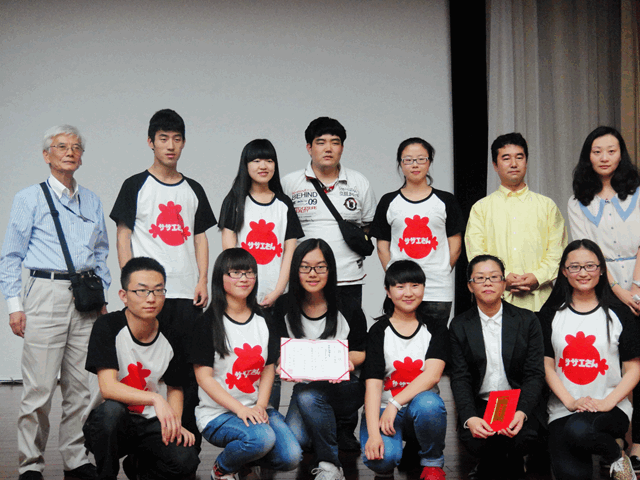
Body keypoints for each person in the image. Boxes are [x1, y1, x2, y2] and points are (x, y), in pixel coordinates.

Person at [0, 125, 110, 480]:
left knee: (82, 387)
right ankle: (30, 464)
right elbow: (11, 256)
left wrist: (103, 296)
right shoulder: (28, 198)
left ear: (82, 157)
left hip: (86, 299)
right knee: (38, 388)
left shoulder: (92, 200)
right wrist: (14, 305)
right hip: (44, 293)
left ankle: (76, 459)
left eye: (76, 147)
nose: (70, 152)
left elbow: (101, 252)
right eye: (61, 146)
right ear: (46, 155)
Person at [110, 108, 217, 444]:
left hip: (186, 295)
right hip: (149, 296)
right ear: (150, 142)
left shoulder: (193, 188)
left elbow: (200, 237)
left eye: (177, 139)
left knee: (186, 373)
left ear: (183, 143)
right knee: (145, 370)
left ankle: (186, 445)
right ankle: (146, 443)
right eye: (163, 138)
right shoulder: (135, 185)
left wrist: (202, 279)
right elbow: (123, 235)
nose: (170, 145)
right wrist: (132, 286)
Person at [282, 117, 375, 451]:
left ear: (342, 147)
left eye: (335, 142)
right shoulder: (291, 183)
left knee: (345, 354)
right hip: (304, 282)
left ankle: (345, 428)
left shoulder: (358, 182)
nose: (328, 148)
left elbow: (366, 227)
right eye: (321, 142)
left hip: (348, 280)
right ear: (309, 147)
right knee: (307, 348)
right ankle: (312, 415)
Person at [83, 257, 199, 480]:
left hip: (149, 420)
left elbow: (175, 387)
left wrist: (174, 424)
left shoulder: (173, 333)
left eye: (158, 290)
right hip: (109, 423)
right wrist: (155, 399)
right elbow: (108, 388)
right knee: (112, 412)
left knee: (186, 459)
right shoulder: (107, 326)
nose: (151, 298)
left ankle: (137, 466)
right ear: (123, 296)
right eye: (142, 291)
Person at [191, 248, 301, 480]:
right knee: (262, 438)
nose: (243, 278)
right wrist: (240, 410)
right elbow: (204, 378)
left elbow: (268, 368)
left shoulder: (264, 320)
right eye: (235, 273)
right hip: (218, 414)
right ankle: (221, 470)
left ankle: (245, 461)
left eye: (249, 273)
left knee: (291, 456)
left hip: (255, 408)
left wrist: (261, 405)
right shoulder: (207, 323)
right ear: (220, 277)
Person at [568, 126, 640, 470]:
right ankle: (617, 438)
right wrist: (619, 292)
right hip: (604, 287)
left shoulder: (637, 193)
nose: (604, 157)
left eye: (611, 150)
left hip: (638, 283)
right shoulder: (578, 202)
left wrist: (636, 288)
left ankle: (637, 446)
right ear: (588, 156)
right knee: (616, 365)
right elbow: (588, 254)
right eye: (597, 151)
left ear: (621, 153)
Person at [538, 239, 640, 480]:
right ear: (564, 271)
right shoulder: (551, 313)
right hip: (563, 409)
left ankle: (616, 454)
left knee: (579, 429)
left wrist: (607, 403)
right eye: (574, 267)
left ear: (601, 269)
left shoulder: (619, 312)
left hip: (610, 407)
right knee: (571, 473)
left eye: (590, 266)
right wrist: (571, 402)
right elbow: (547, 365)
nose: (583, 273)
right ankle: (613, 452)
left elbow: (634, 369)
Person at [273, 238, 367, 480]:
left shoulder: (348, 305)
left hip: (345, 387)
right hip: (307, 386)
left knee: (308, 397)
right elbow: (279, 352)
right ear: (295, 270)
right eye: (305, 267)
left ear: (330, 269)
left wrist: (346, 361)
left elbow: (361, 351)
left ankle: (331, 465)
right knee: (296, 440)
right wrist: (282, 364)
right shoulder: (283, 306)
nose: (312, 273)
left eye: (320, 267)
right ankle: (324, 423)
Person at [449, 254, 546, 480]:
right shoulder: (460, 325)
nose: (488, 283)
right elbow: (460, 377)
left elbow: (534, 374)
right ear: (470, 286)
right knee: (477, 440)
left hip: (517, 401)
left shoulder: (527, 320)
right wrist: (470, 417)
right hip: (481, 403)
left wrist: (521, 412)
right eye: (480, 278)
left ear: (504, 283)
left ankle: (502, 462)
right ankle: (497, 462)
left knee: (523, 438)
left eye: (494, 277)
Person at [360, 260, 448, 480]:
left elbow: (432, 375)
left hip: (419, 409)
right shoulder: (378, 331)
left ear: (423, 288)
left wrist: (395, 403)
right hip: (383, 411)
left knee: (429, 403)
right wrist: (374, 434)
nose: (408, 293)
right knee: (382, 459)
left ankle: (432, 464)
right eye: (400, 287)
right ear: (388, 292)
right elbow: (373, 386)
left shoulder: (435, 328)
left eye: (415, 285)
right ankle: (385, 469)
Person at [465, 132, 567, 312]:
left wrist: (537, 277)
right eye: (506, 158)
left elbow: (558, 251)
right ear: (495, 165)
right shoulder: (481, 208)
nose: (513, 164)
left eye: (519, 157)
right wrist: (501, 277)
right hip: (494, 302)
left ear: (526, 161)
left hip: (542, 302)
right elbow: (476, 253)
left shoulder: (547, 206)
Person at [370, 137, 464, 326]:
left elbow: (455, 246)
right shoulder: (389, 201)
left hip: (438, 290)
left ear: (429, 162)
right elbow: (382, 247)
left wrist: (441, 271)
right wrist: (396, 278)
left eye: (421, 159)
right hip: (401, 291)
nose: (415, 165)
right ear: (400, 163)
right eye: (408, 160)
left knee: (436, 340)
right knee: (401, 339)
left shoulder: (446, 200)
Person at [219, 138, 303, 307]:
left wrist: (278, 291)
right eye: (256, 161)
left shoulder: (284, 204)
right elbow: (230, 254)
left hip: (278, 295)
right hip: (242, 296)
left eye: (269, 161)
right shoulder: (234, 202)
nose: (263, 166)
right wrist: (242, 292)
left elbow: (290, 252)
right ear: (246, 165)